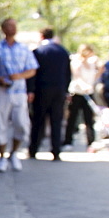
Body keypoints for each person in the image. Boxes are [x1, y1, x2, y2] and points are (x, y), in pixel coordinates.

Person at [0, 18, 39, 172]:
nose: (11, 28)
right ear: (3, 29)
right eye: (8, 26)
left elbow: (32, 69)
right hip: (1, 91)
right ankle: (2, 157)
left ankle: (13, 153)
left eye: (13, 26)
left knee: (22, 124)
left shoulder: (24, 49)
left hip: (19, 92)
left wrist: (19, 76)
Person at [28, 27, 72, 160]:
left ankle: (33, 149)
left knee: (38, 121)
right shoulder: (63, 52)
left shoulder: (38, 52)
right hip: (59, 91)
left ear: (42, 36)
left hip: (41, 91)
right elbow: (68, 74)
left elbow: (32, 73)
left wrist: (30, 90)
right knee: (56, 121)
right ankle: (56, 150)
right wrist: (65, 90)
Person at [64, 44, 101, 148]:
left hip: (89, 92)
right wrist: (84, 86)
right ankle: (68, 141)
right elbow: (77, 77)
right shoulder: (76, 62)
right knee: (73, 117)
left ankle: (91, 141)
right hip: (77, 93)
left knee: (89, 118)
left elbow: (98, 72)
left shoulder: (92, 63)